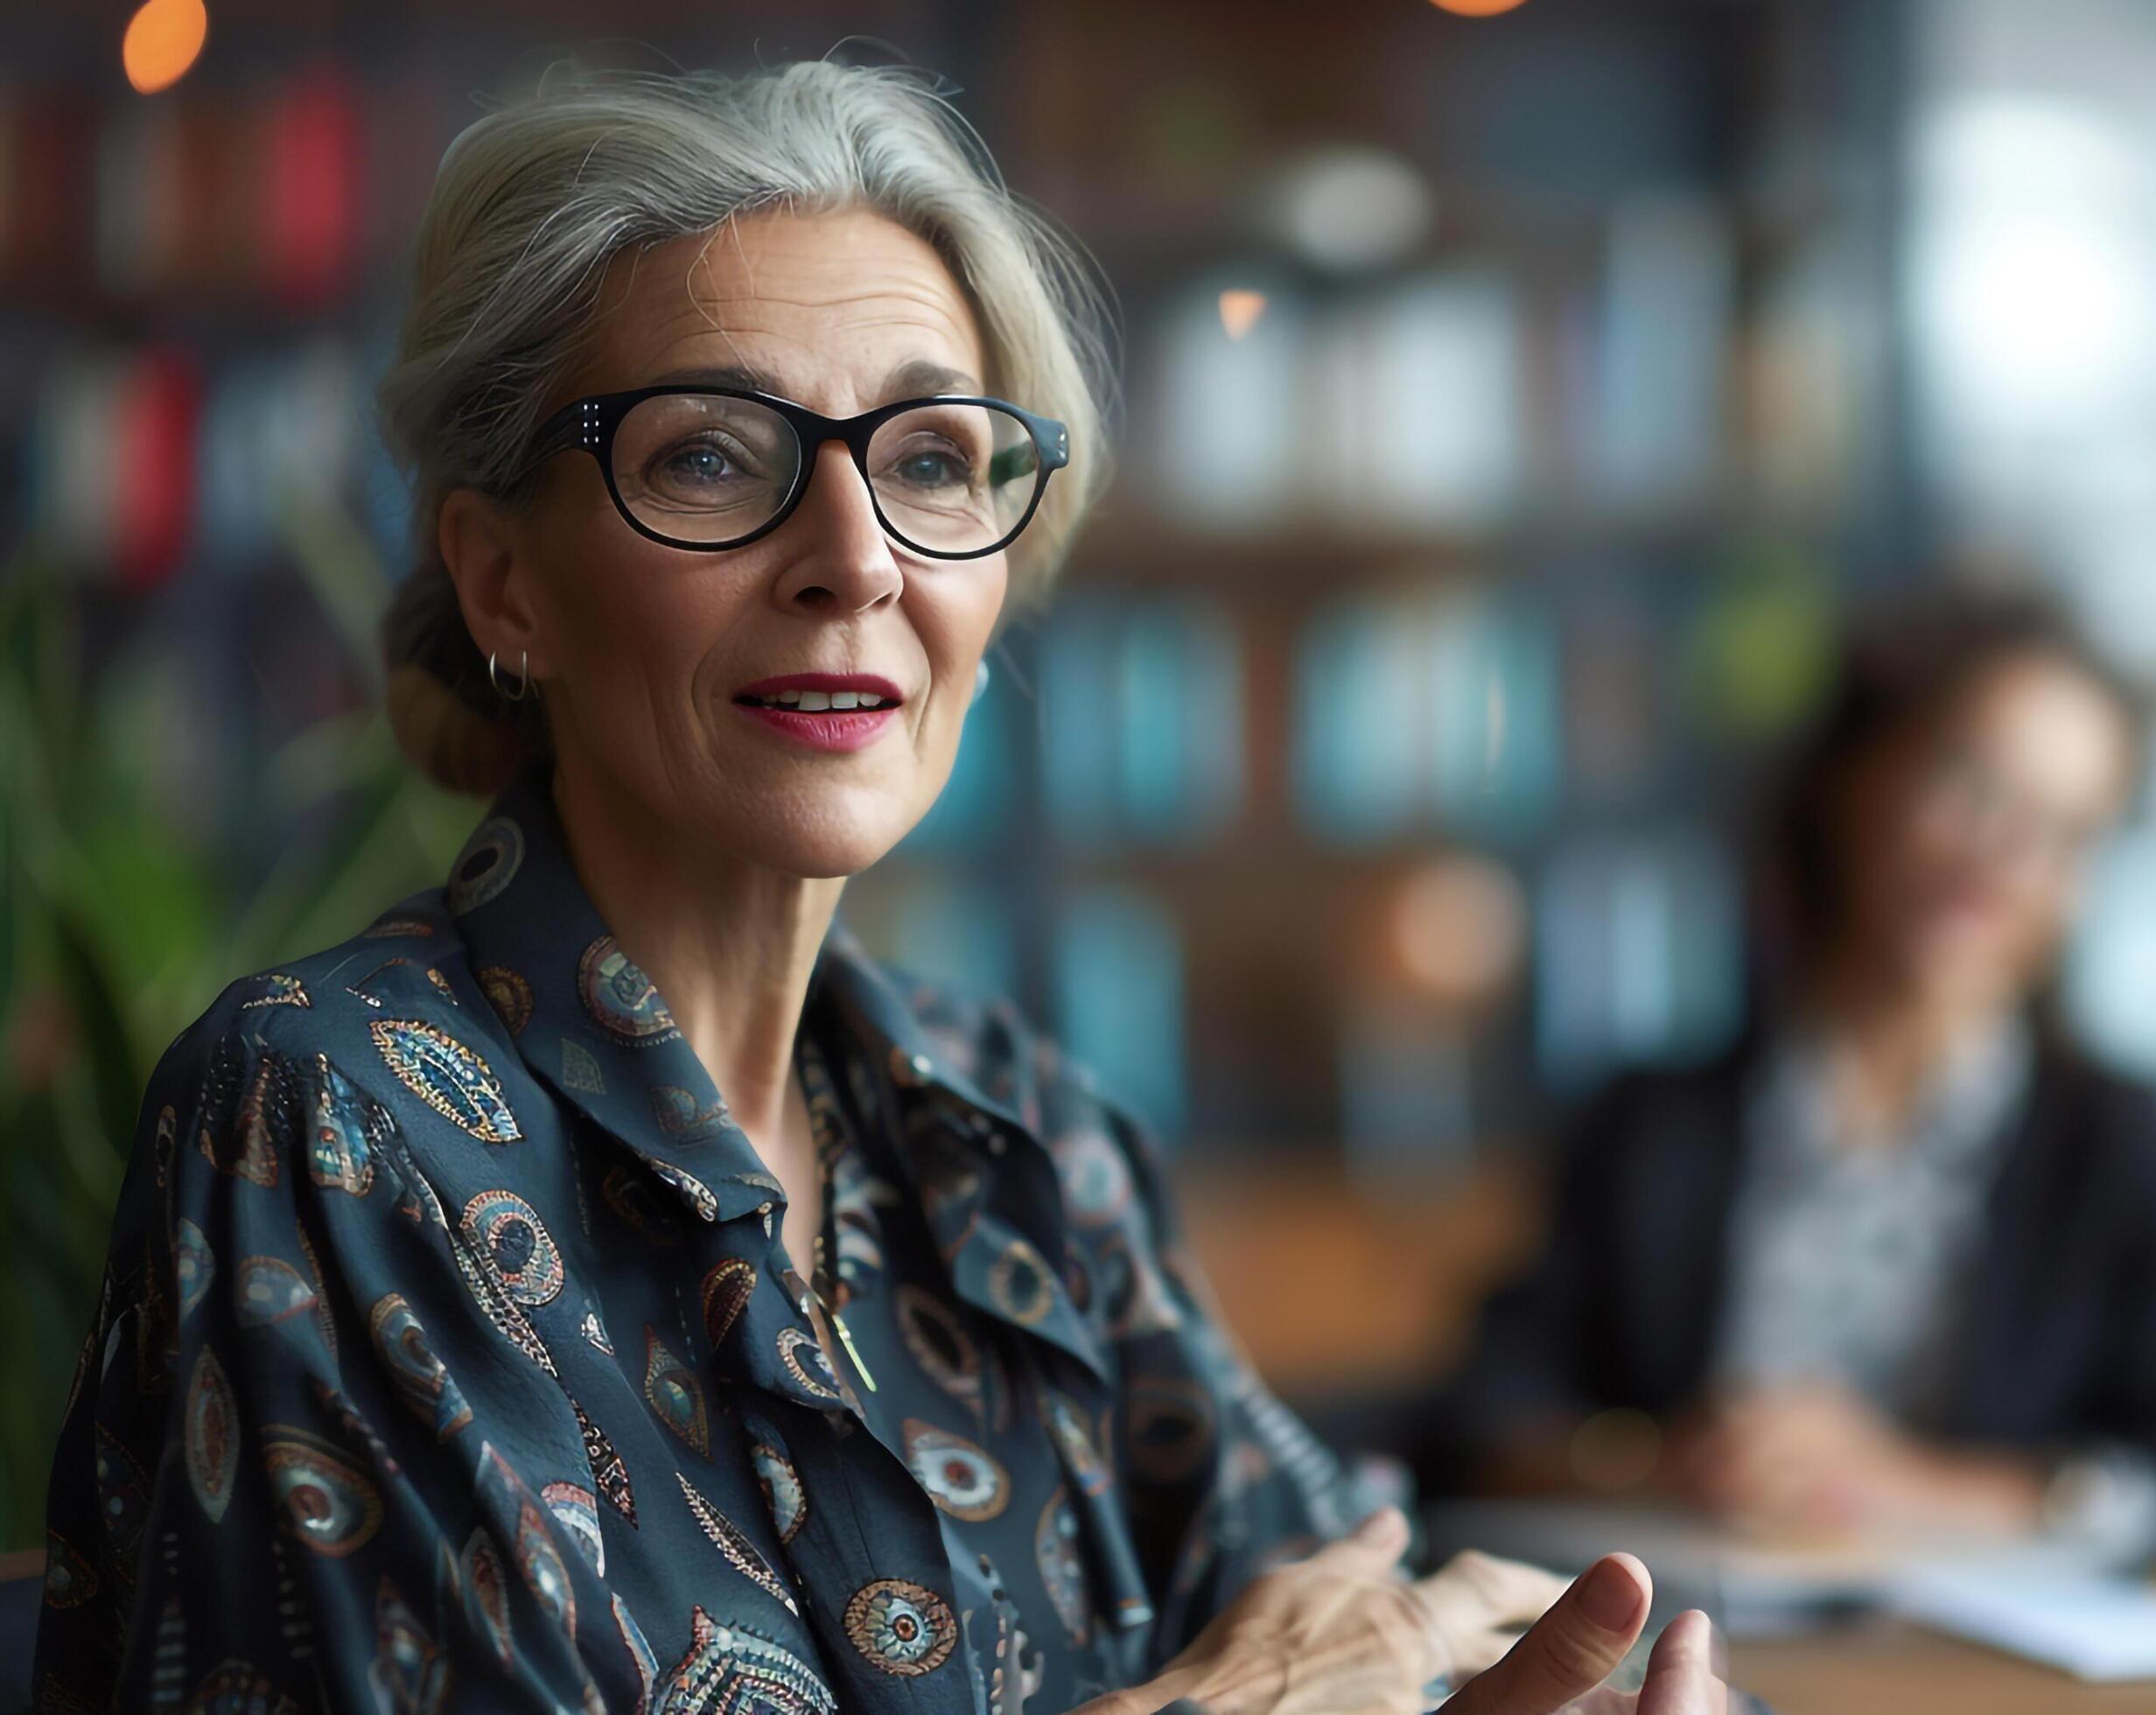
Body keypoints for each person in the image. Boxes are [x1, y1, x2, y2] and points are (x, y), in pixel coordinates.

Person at [32, 63, 1726, 1715]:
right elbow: (1281, 1674)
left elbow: (1363, 1620)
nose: (856, 556)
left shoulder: (1018, 1132)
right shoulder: (330, 1121)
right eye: (709, 454)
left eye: (926, 460)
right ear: (505, 582)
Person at [1438, 587, 2156, 1538]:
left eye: (2066, 831)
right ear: (1852, 775)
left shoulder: (2108, 1139)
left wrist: (1920, 1487)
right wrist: (1664, 1460)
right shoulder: (1650, 1120)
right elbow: (1485, 1415)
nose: (2001, 859)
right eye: (1971, 785)